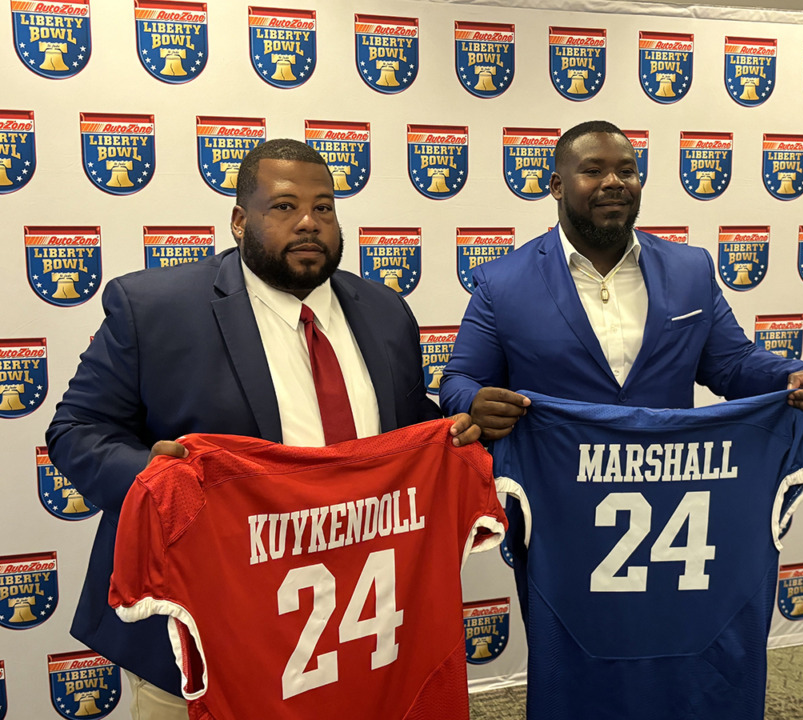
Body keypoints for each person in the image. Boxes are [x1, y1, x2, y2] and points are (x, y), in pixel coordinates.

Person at [46, 139, 479, 718]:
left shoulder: (384, 310)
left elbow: (407, 428)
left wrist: (455, 433)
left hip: (358, 635)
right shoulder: (153, 307)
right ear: (238, 220)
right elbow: (77, 429)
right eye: (283, 207)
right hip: (207, 636)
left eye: (324, 207)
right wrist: (156, 480)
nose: (308, 222)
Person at [439, 119, 803, 437]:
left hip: (671, 490)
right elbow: (461, 379)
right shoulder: (502, 282)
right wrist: (473, 401)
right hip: (552, 495)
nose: (614, 182)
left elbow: (732, 364)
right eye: (593, 171)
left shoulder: (690, 269)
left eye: (627, 170)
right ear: (557, 186)